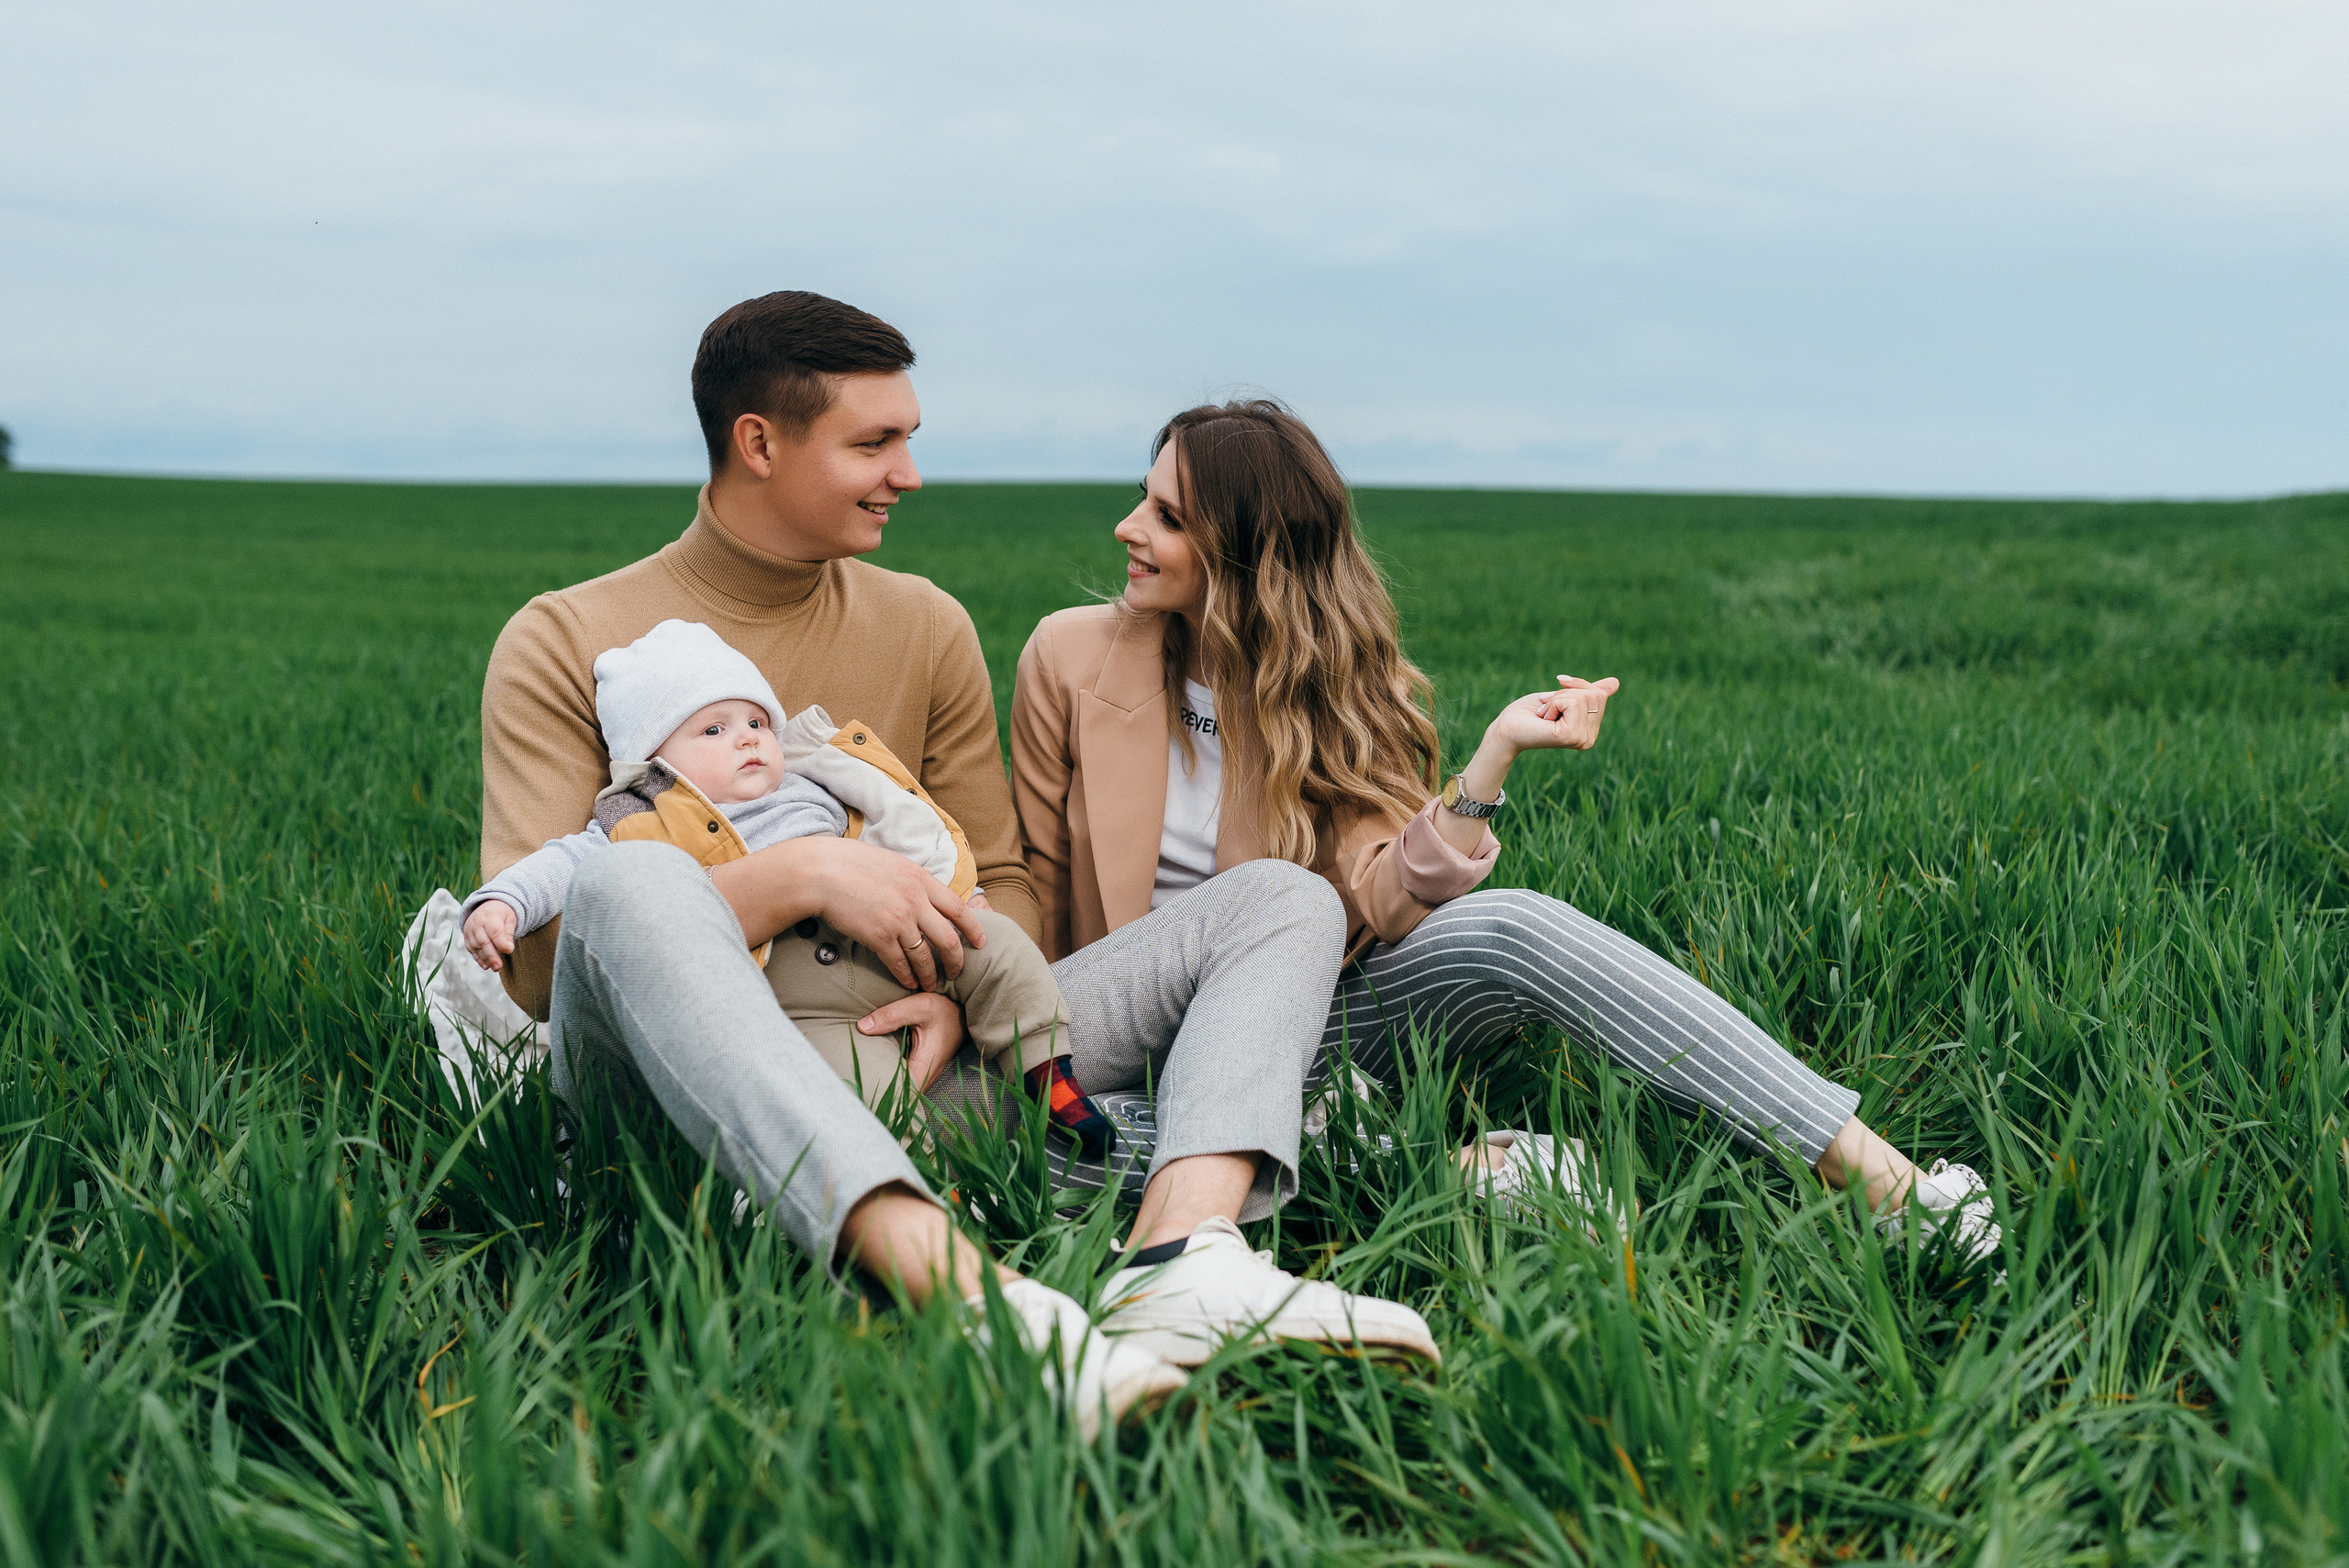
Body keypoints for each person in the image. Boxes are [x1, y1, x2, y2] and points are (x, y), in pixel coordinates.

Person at [476, 296, 1438, 1431]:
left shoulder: (922, 623)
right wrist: (806, 879)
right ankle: (978, 1305)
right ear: (759, 443)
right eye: (874, 443)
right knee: (628, 878)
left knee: (1283, 898)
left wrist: (951, 983)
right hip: (681, 1098)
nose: (910, 474)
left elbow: (1003, 874)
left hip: (914, 1051)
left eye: (907, 438)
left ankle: (1180, 1260)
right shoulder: (567, 636)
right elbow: (542, 967)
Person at [1009, 398, 1999, 1263]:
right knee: (1011, 1134)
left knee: (1513, 923)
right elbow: (1038, 875)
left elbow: (1374, 901)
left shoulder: (1341, 684)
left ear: (1246, 549)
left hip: (1301, 1019)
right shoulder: (1068, 655)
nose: (1126, 527)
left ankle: (1892, 1188)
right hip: (1126, 1030)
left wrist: (1488, 763)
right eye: (1144, 497)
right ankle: (1453, 1163)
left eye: (1167, 515)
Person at [461, 617, 1115, 1149]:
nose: (746, 740)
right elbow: (563, 863)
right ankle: (919, 1191)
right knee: (856, 1096)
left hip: (900, 946)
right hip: (800, 1002)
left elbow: (898, 833)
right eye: (713, 730)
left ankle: (1047, 1072)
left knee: (993, 941)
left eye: (755, 722)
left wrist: (952, 894)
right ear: (653, 760)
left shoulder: (816, 784)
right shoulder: (637, 820)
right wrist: (503, 905)